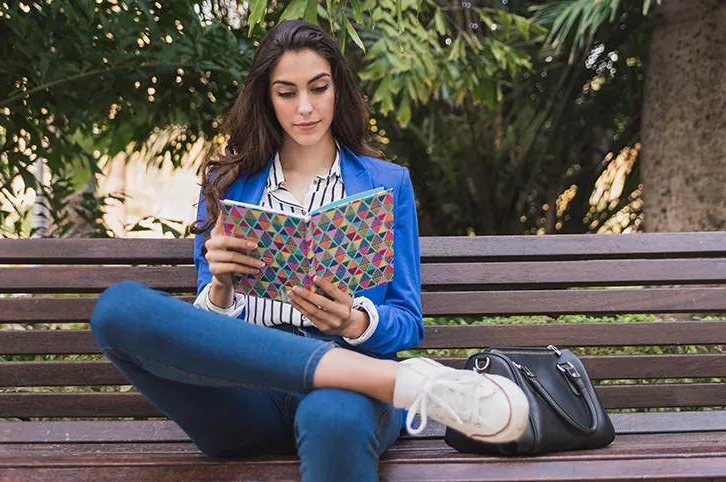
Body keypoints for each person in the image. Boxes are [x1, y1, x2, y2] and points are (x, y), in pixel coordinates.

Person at [89, 19, 529, 481]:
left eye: (318, 88)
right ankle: (406, 383)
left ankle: (375, 378)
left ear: (337, 89)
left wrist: (355, 322)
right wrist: (219, 287)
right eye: (286, 92)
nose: (305, 108)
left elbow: (407, 319)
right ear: (266, 97)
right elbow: (207, 338)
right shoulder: (227, 187)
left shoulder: (386, 184)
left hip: (345, 394)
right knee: (117, 309)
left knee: (332, 419)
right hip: (246, 393)